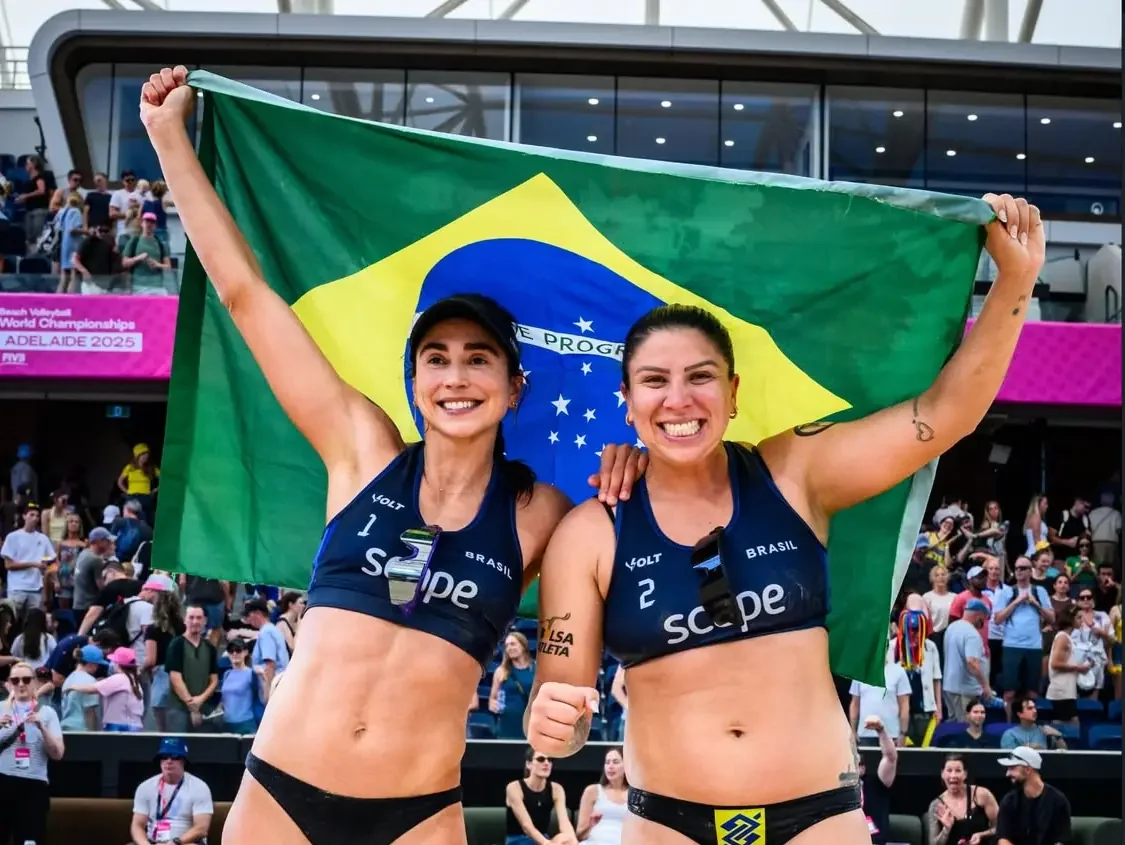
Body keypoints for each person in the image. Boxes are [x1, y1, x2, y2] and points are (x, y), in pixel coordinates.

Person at [140, 65, 643, 845]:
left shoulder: (542, 512)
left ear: (514, 386)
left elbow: (564, 704)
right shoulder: (362, 448)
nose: (454, 375)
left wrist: (635, 463)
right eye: (435, 357)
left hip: (416, 814)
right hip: (280, 794)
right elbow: (244, 293)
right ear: (412, 381)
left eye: (478, 359)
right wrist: (170, 141)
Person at [527, 190, 1045, 845]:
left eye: (700, 376)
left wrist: (1013, 282)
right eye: (654, 380)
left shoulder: (793, 473)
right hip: (667, 825)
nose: (678, 398)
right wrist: (552, 722)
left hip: (816, 818)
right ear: (626, 402)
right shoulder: (590, 532)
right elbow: (563, 704)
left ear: (733, 393)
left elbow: (943, 414)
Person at [0, 661, 65, 845]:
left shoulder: (47, 713)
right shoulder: (0, 710)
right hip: (3, 780)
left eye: (26, 679)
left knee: (30, 840)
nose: (21, 684)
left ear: (35, 683)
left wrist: (41, 727)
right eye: (15, 680)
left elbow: (58, 754)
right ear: (9, 684)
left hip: (34, 784)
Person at [131, 737, 214, 845]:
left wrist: (176, 842)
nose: (168, 761)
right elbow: (137, 824)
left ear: (183, 761)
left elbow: (201, 828)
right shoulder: (145, 787)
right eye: (164, 757)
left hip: (185, 842)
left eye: (174, 757)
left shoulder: (199, 787)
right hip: (153, 841)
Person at [994, 747, 1071, 845]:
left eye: (1012, 768)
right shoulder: (1009, 801)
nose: (1007, 774)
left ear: (1027, 769)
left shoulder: (1058, 801)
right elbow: (1003, 838)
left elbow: (1060, 841)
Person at [504, 748, 577, 845]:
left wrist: (573, 841)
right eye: (541, 759)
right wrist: (547, 843)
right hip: (518, 840)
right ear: (529, 764)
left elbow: (564, 823)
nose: (546, 763)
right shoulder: (514, 788)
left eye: (550, 760)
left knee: (565, 838)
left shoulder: (556, 789)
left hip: (543, 839)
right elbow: (527, 826)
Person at [926, 754, 999, 845]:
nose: (953, 775)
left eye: (958, 770)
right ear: (942, 774)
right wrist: (946, 829)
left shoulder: (982, 794)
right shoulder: (936, 805)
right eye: (949, 770)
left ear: (965, 774)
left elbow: (1001, 827)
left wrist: (981, 835)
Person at [576, 746, 627, 844]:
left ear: (626, 766)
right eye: (607, 762)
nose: (610, 766)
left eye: (615, 762)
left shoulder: (635, 795)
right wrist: (591, 825)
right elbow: (579, 835)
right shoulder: (592, 791)